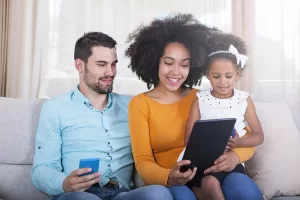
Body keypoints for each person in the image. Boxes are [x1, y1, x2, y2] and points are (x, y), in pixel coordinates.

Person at [126, 13, 258, 200]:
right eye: (168, 63)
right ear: (155, 61)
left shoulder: (203, 97)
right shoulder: (140, 104)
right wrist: (169, 176)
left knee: (241, 186)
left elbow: (246, 135)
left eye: (184, 65)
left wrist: (235, 157)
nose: (176, 72)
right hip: (173, 180)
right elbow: (142, 161)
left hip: (210, 172)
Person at [31, 32, 174, 200]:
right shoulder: (55, 108)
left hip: (121, 194)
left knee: (158, 193)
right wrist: (65, 183)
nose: (110, 72)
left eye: (113, 64)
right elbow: (42, 169)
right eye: (101, 64)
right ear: (80, 65)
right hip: (79, 195)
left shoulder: (133, 106)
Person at [183, 33, 264, 200]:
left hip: (231, 161)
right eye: (216, 76)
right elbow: (188, 139)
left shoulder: (244, 99)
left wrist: (239, 142)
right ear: (207, 74)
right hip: (204, 161)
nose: (222, 82)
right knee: (209, 183)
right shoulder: (200, 100)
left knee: (225, 183)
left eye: (228, 76)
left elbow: (258, 136)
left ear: (238, 75)